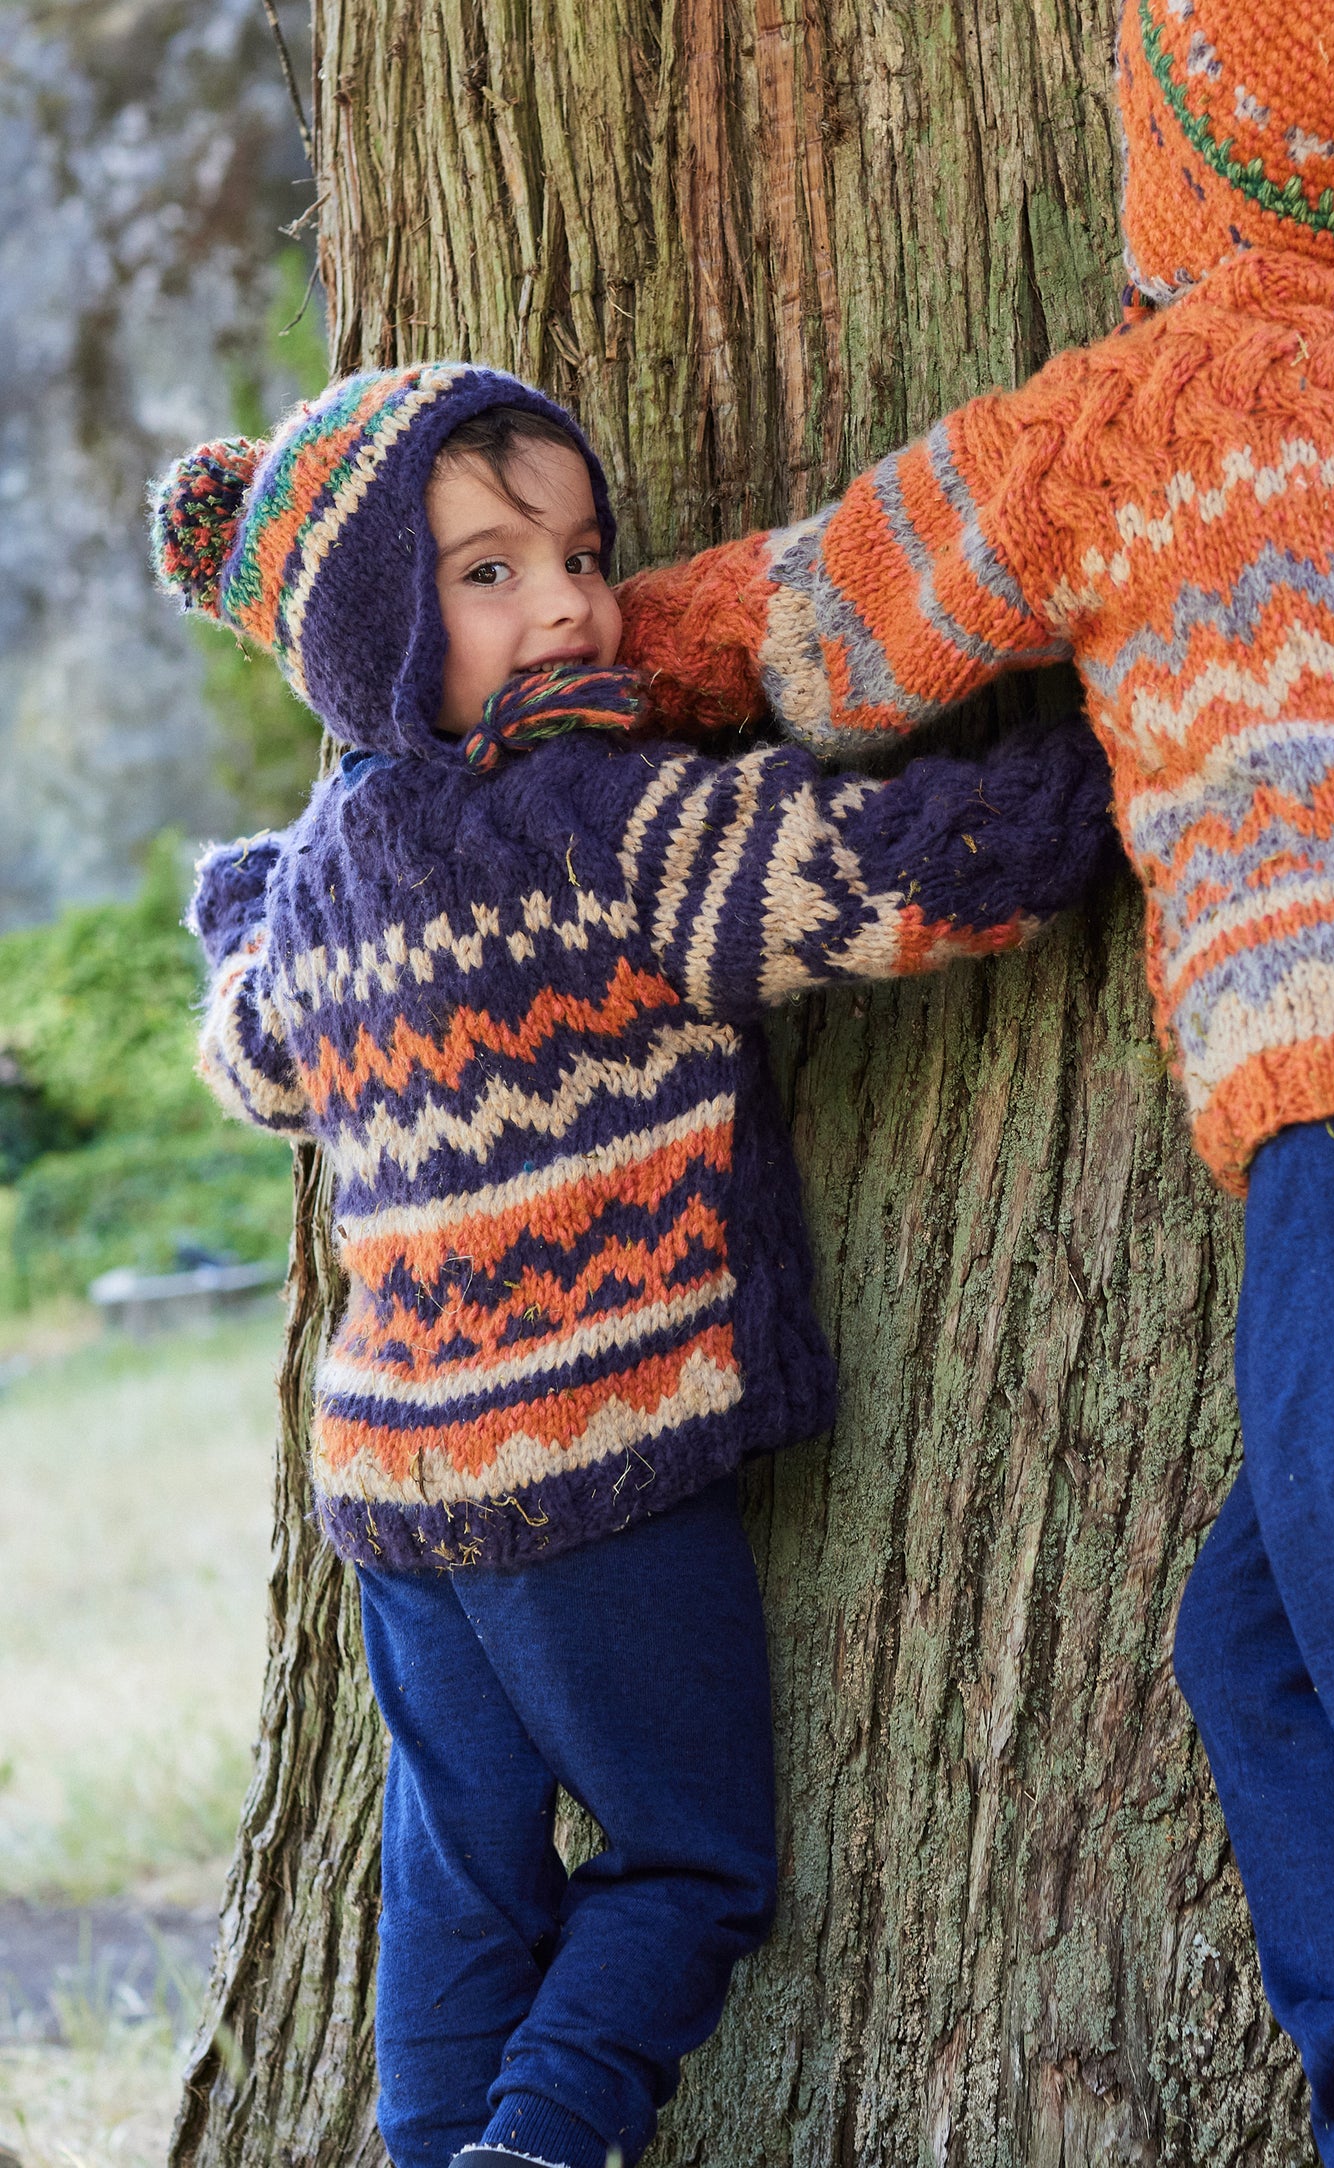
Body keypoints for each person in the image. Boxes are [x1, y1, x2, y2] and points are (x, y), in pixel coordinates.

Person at [606, 4, 1334, 2161]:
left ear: (1192, 149)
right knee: (1264, 1643)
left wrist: (594, 640)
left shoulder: (1131, 419)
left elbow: (833, 627)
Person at [150, 366, 1116, 2168]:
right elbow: (888, 881)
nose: (573, 604)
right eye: (487, 574)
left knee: (461, 1865)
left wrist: (243, 898)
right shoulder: (616, 825)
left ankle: (435, 2142)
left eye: (579, 554)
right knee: (689, 1856)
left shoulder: (329, 875)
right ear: (368, 631)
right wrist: (1109, 740)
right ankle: (538, 2143)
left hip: (396, 1481)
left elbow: (249, 1051)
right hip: (589, 1450)